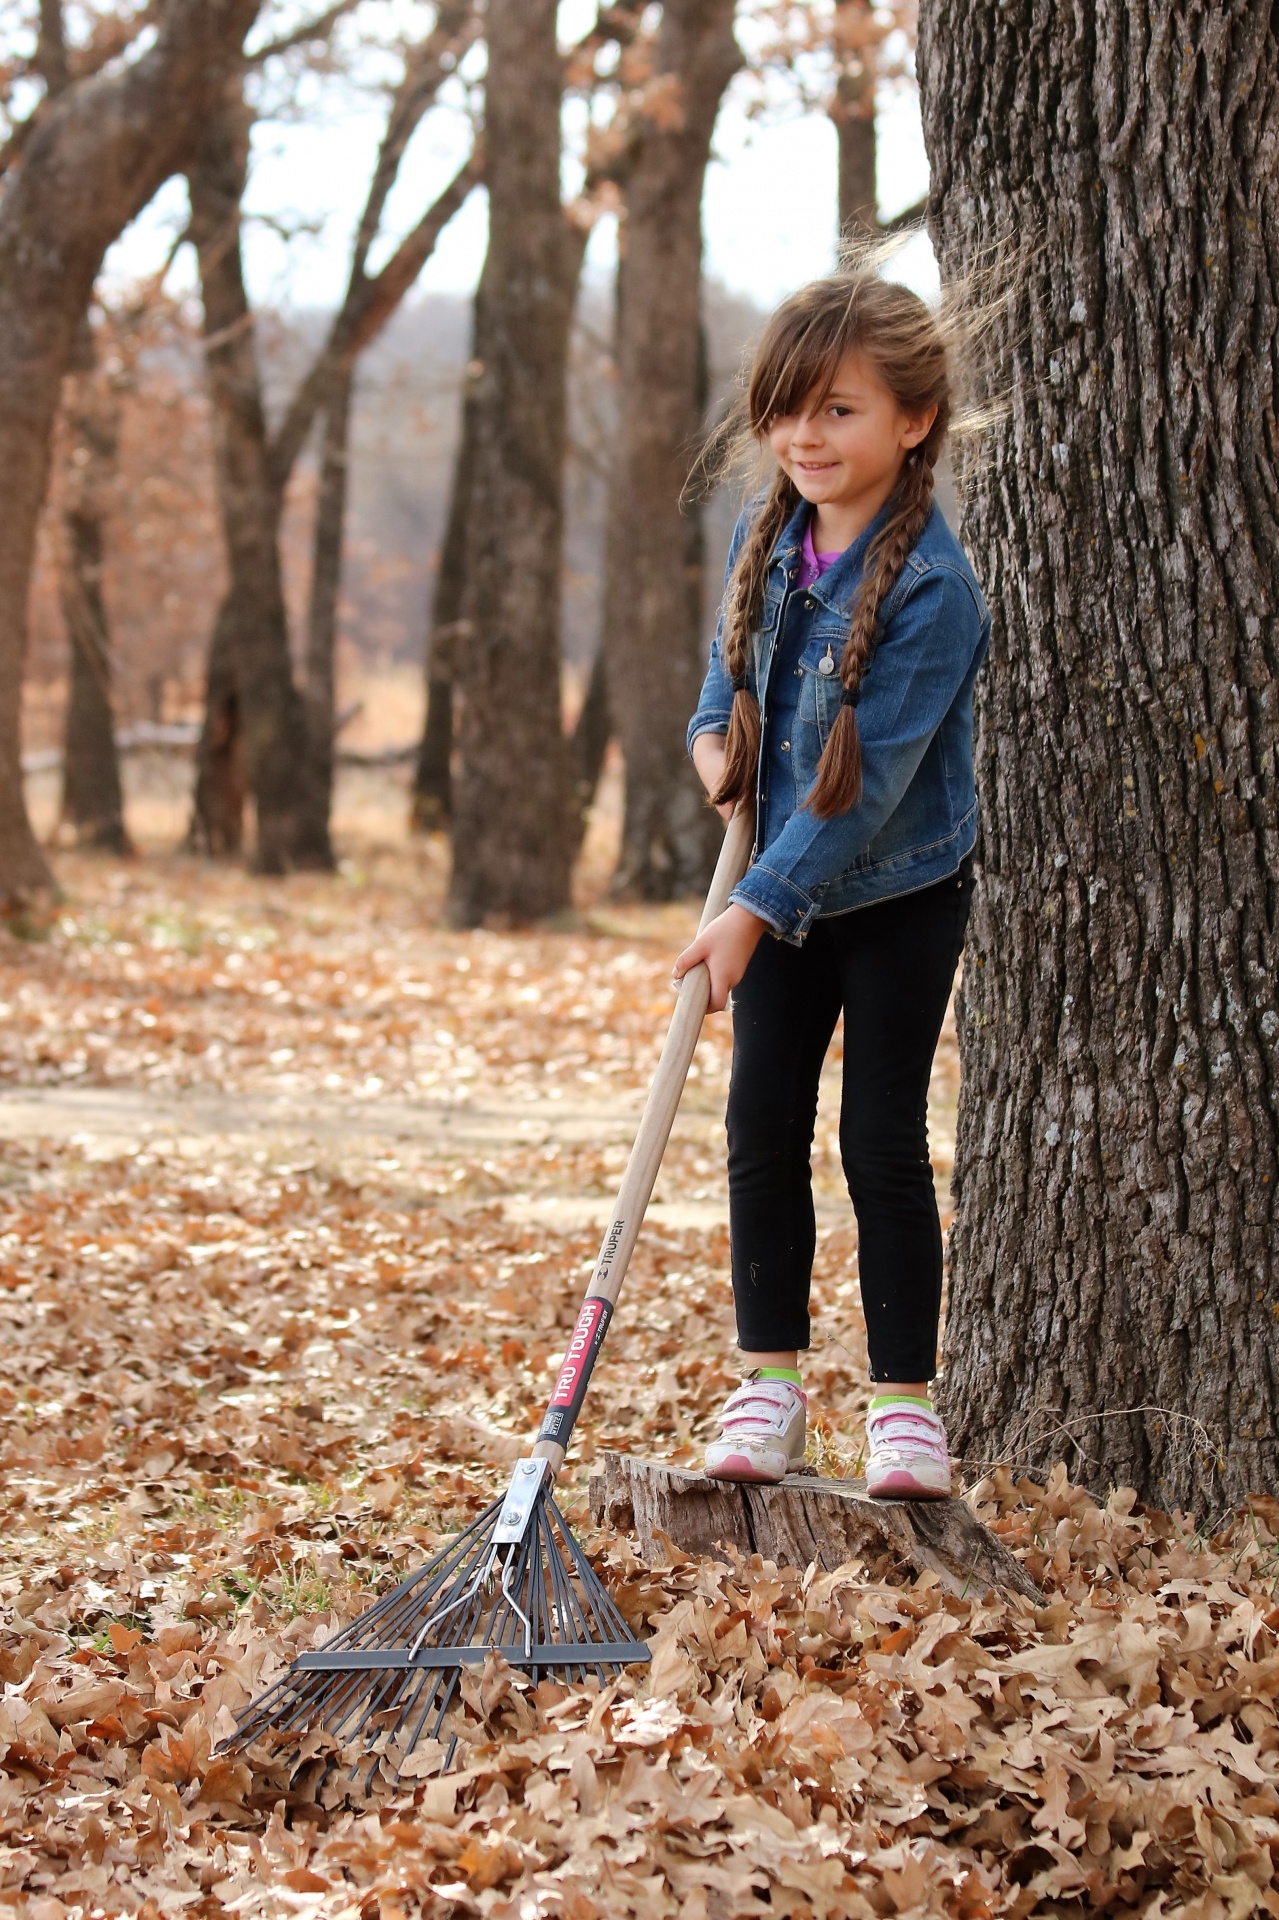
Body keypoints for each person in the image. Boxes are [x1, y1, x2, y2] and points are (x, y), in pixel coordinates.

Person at [674, 257, 991, 1499]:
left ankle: (905, 1408)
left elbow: (859, 798)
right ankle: (767, 1388)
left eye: (840, 408)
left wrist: (751, 915)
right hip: (775, 889)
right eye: (788, 406)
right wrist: (716, 750)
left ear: (912, 422)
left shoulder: (932, 591)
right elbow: (723, 683)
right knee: (760, 1121)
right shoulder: (769, 547)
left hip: (897, 894)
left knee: (879, 1138)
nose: (806, 433)